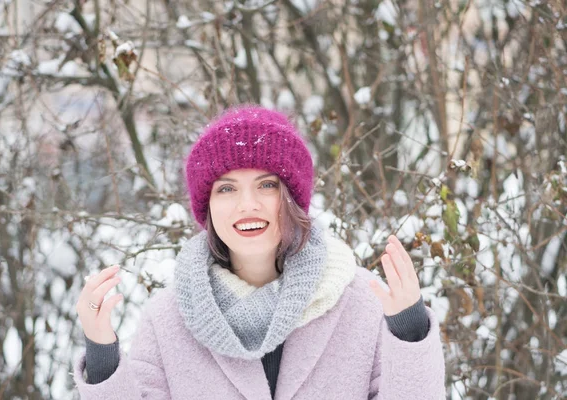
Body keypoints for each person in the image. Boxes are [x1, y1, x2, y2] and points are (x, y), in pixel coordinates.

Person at [73, 105, 446, 399]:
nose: (246, 205)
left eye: (267, 185)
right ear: (207, 207)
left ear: (292, 198)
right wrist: (102, 353)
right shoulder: (168, 319)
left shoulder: (360, 302)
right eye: (226, 189)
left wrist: (409, 331)